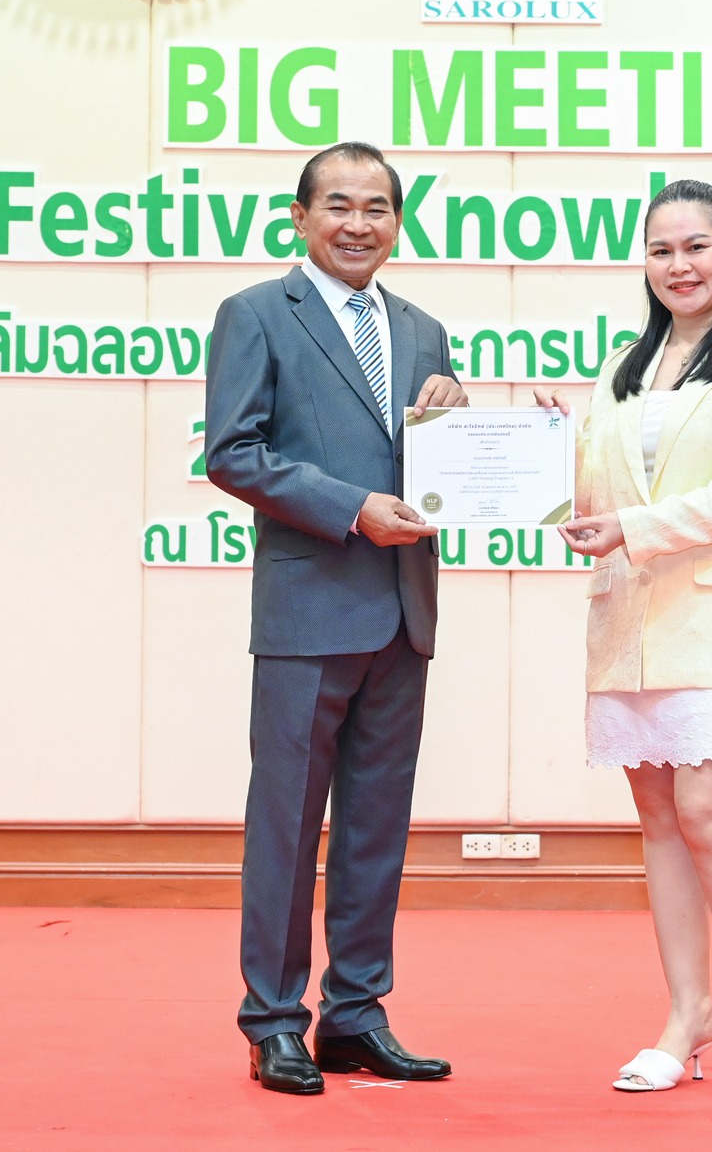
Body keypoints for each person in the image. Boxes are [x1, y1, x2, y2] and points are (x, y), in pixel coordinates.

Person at [202, 141, 468, 1096]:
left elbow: (434, 464)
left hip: (403, 612)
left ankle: (355, 1014)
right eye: (339, 206)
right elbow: (233, 453)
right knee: (286, 824)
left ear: (398, 221)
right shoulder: (254, 315)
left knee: (375, 828)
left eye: (377, 208)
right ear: (300, 217)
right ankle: (274, 1021)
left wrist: (458, 414)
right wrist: (351, 507)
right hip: (309, 609)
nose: (359, 224)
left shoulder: (425, 330)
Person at [535, 179, 712, 1109]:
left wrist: (634, 528)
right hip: (629, 623)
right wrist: (554, 447)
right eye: (661, 250)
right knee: (658, 820)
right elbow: (592, 505)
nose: (679, 266)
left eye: (696, 246)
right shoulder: (624, 366)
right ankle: (689, 1014)